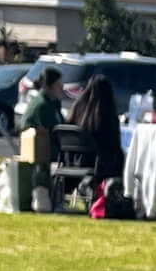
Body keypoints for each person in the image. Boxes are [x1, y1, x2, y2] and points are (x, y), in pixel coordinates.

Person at [64, 73, 125, 195]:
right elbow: (113, 144)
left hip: (75, 160)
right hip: (97, 163)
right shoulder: (106, 116)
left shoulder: (76, 110)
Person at [18, 66, 64, 198]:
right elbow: (52, 130)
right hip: (42, 148)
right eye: (58, 85)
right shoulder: (43, 105)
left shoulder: (52, 102)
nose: (62, 88)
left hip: (48, 146)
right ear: (49, 86)